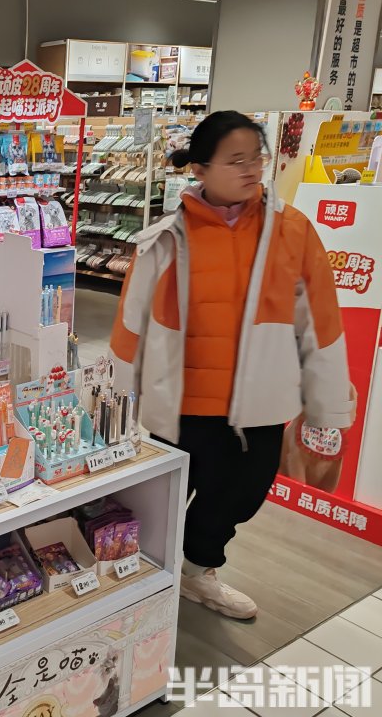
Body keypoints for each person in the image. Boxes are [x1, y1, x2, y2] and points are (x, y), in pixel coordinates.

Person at [110, 110, 352, 620]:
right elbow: (130, 330)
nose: (251, 169)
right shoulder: (164, 240)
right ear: (200, 168)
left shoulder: (292, 232)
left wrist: (327, 408)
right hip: (180, 407)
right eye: (235, 160)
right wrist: (114, 411)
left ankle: (198, 572)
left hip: (259, 407)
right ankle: (135, 574)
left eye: (256, 158)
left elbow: (321, 325)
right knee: (158, 498)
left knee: (239, 496)